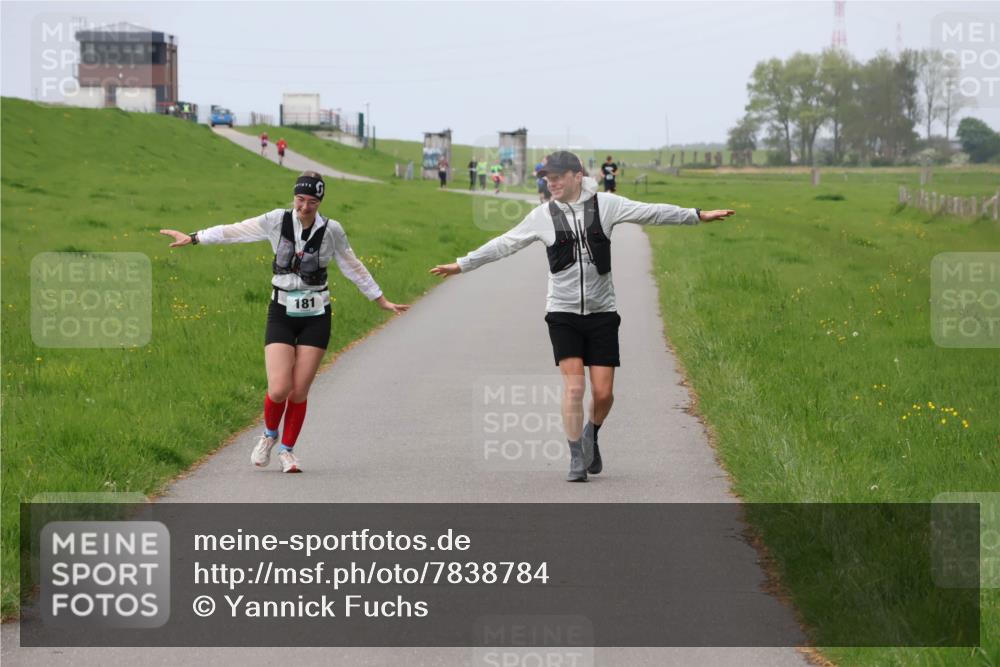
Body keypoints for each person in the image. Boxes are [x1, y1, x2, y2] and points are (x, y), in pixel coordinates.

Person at [430, 151, 734, 482]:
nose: (552, 182)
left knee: (603, 394)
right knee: (575, 388)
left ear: (578, 175)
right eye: (548, 177)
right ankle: (576, 455)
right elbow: (505, 243)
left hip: (602, 313)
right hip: (562, 313)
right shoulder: (542, 216)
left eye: (558, 176)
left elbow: (652, 213)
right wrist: (463, 264)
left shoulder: (607, 205)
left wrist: (696, 215)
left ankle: (592, 434)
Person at [160, 171, 409, 473]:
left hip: (317, 315)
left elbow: (352, 265)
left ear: (320, 202)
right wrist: (195, 237)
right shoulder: (276, 220)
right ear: (294, 197)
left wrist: (379, 299)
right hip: (281, 312)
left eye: (312, 202)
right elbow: (235, 231)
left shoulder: (332, 231)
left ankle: (288, 452)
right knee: (279, 388)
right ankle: (268, 436)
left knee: (299, 390)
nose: (305, 207)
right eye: (300, 200)